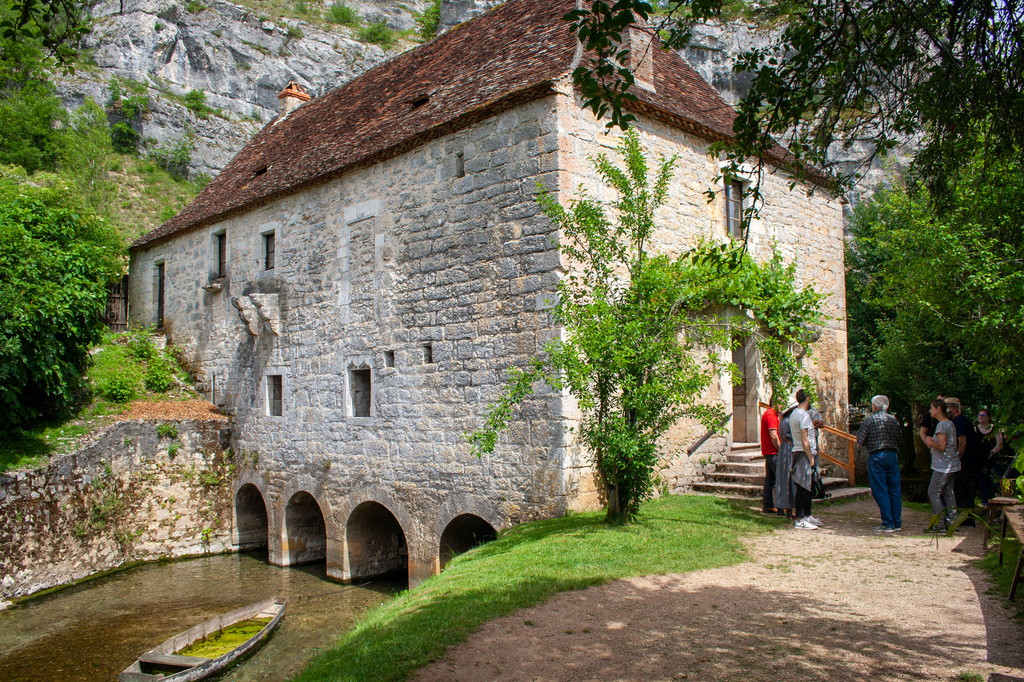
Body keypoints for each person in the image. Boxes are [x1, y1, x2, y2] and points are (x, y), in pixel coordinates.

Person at [856, 394, 903, 532]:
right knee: (894, 489)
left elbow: (860, 441)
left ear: (874, 406)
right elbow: (900, 439)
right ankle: (896, 521)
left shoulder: (870, 420)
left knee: (880, 490)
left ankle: (887, 522)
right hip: (892, 454)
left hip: (876, 455)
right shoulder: (893, 420)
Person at [921, 399, 960, 531]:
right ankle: (952, 521)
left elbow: (942, 446)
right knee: (948, 492)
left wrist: (930, 442)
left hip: (943, 465)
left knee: (933, 492)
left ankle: (939, 523)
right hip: (952, 463)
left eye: (932, 408)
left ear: (939, 409)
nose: (930, 411)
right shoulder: (950, 423)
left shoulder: (942, 425)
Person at [789, 389, 822, 529]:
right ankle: (800, 519)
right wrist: (810, 457)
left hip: (803, 452)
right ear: (807, 399)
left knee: (808, 485)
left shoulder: (795, 414)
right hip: (803, 453)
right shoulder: (802, 415)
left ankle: (807, 515)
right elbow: (804, 439)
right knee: (802, 486)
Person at [947, 398, 977, 523]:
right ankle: (967, 518)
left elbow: (962, 443)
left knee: (960, 488)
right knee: (966, 489)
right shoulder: (961, 421)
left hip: (964, 462)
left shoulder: (960, 421)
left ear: (953, 408)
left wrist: (957, 459)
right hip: (968, 461)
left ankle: (963, 518)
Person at [975, 409, 1005, 505]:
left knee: (995, 482)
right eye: (980, 415)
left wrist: (992, 452)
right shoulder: (975, 429)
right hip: (980, 459)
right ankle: (985, 504)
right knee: (983, 483)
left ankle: (997, 504)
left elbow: (999, 444)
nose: (981, 417)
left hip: (993, 458)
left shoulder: (995, 428)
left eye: (983, 415)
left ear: (988, 417)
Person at [774, 401, 797, 517]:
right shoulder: (787, 421)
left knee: (786, 477)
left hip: (787, 448)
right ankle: (786, 505)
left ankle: (788, 505)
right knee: (786, 476)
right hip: (788, 448)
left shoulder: (786, 421)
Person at [759, 396, 782, 513]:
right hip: (772, 451)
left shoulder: (769, 413)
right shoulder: (771, 414)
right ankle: (781, 506)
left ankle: (768, 505)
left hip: (769, 451)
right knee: (780, 478)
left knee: (770, 479)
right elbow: (773, 435)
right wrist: (780, 448)